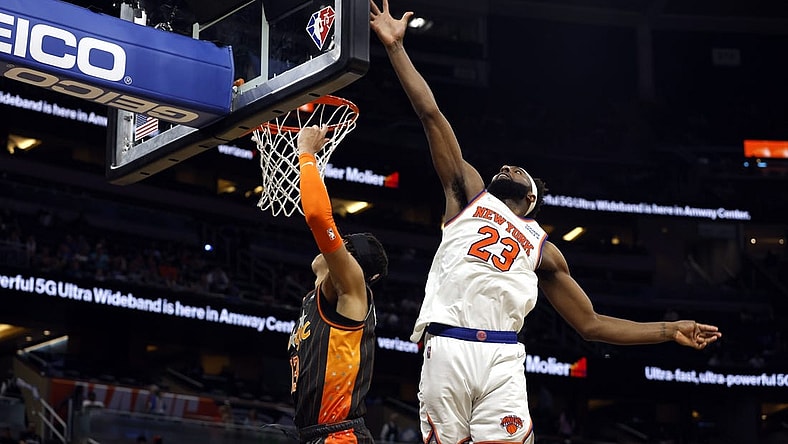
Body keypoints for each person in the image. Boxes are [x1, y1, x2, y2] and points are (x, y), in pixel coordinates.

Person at [369, 2, 724, 443]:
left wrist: (669, 330)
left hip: (501, 355)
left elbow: (591, 323)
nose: (507, 166)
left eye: (516, 169)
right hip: (447, 346)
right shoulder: (467, 194)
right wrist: (397, 49)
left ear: (529, 198)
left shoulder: (543, 248)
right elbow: (431, 115)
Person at [287, 125, 389, 443]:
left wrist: (306, 153)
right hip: (316, 435)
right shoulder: (321, 295)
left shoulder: (352, 288)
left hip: (340, 437)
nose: (329, 246)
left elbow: (318, 216)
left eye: (341, 244)